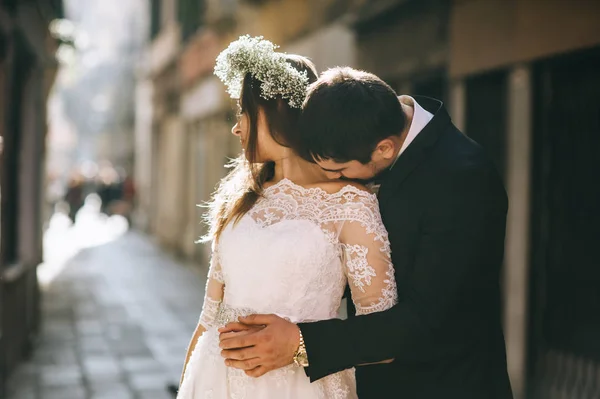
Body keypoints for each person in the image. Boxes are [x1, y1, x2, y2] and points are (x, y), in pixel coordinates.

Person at [218, 67, 513, 399]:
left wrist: (300, 342)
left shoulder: (462, 179)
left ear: (385, 150)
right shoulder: (366, 123)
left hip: (444, 385)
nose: (341, 184)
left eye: (342, 171)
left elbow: (428, 319)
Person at [176, 36, 397, 399]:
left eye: (243, 112)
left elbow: (382, 337)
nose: (236, 127)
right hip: (215, 383)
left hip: (300, 386)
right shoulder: (239, 199)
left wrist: (298, 346)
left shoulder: (351, 205)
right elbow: (207, 320)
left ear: (276, 106)